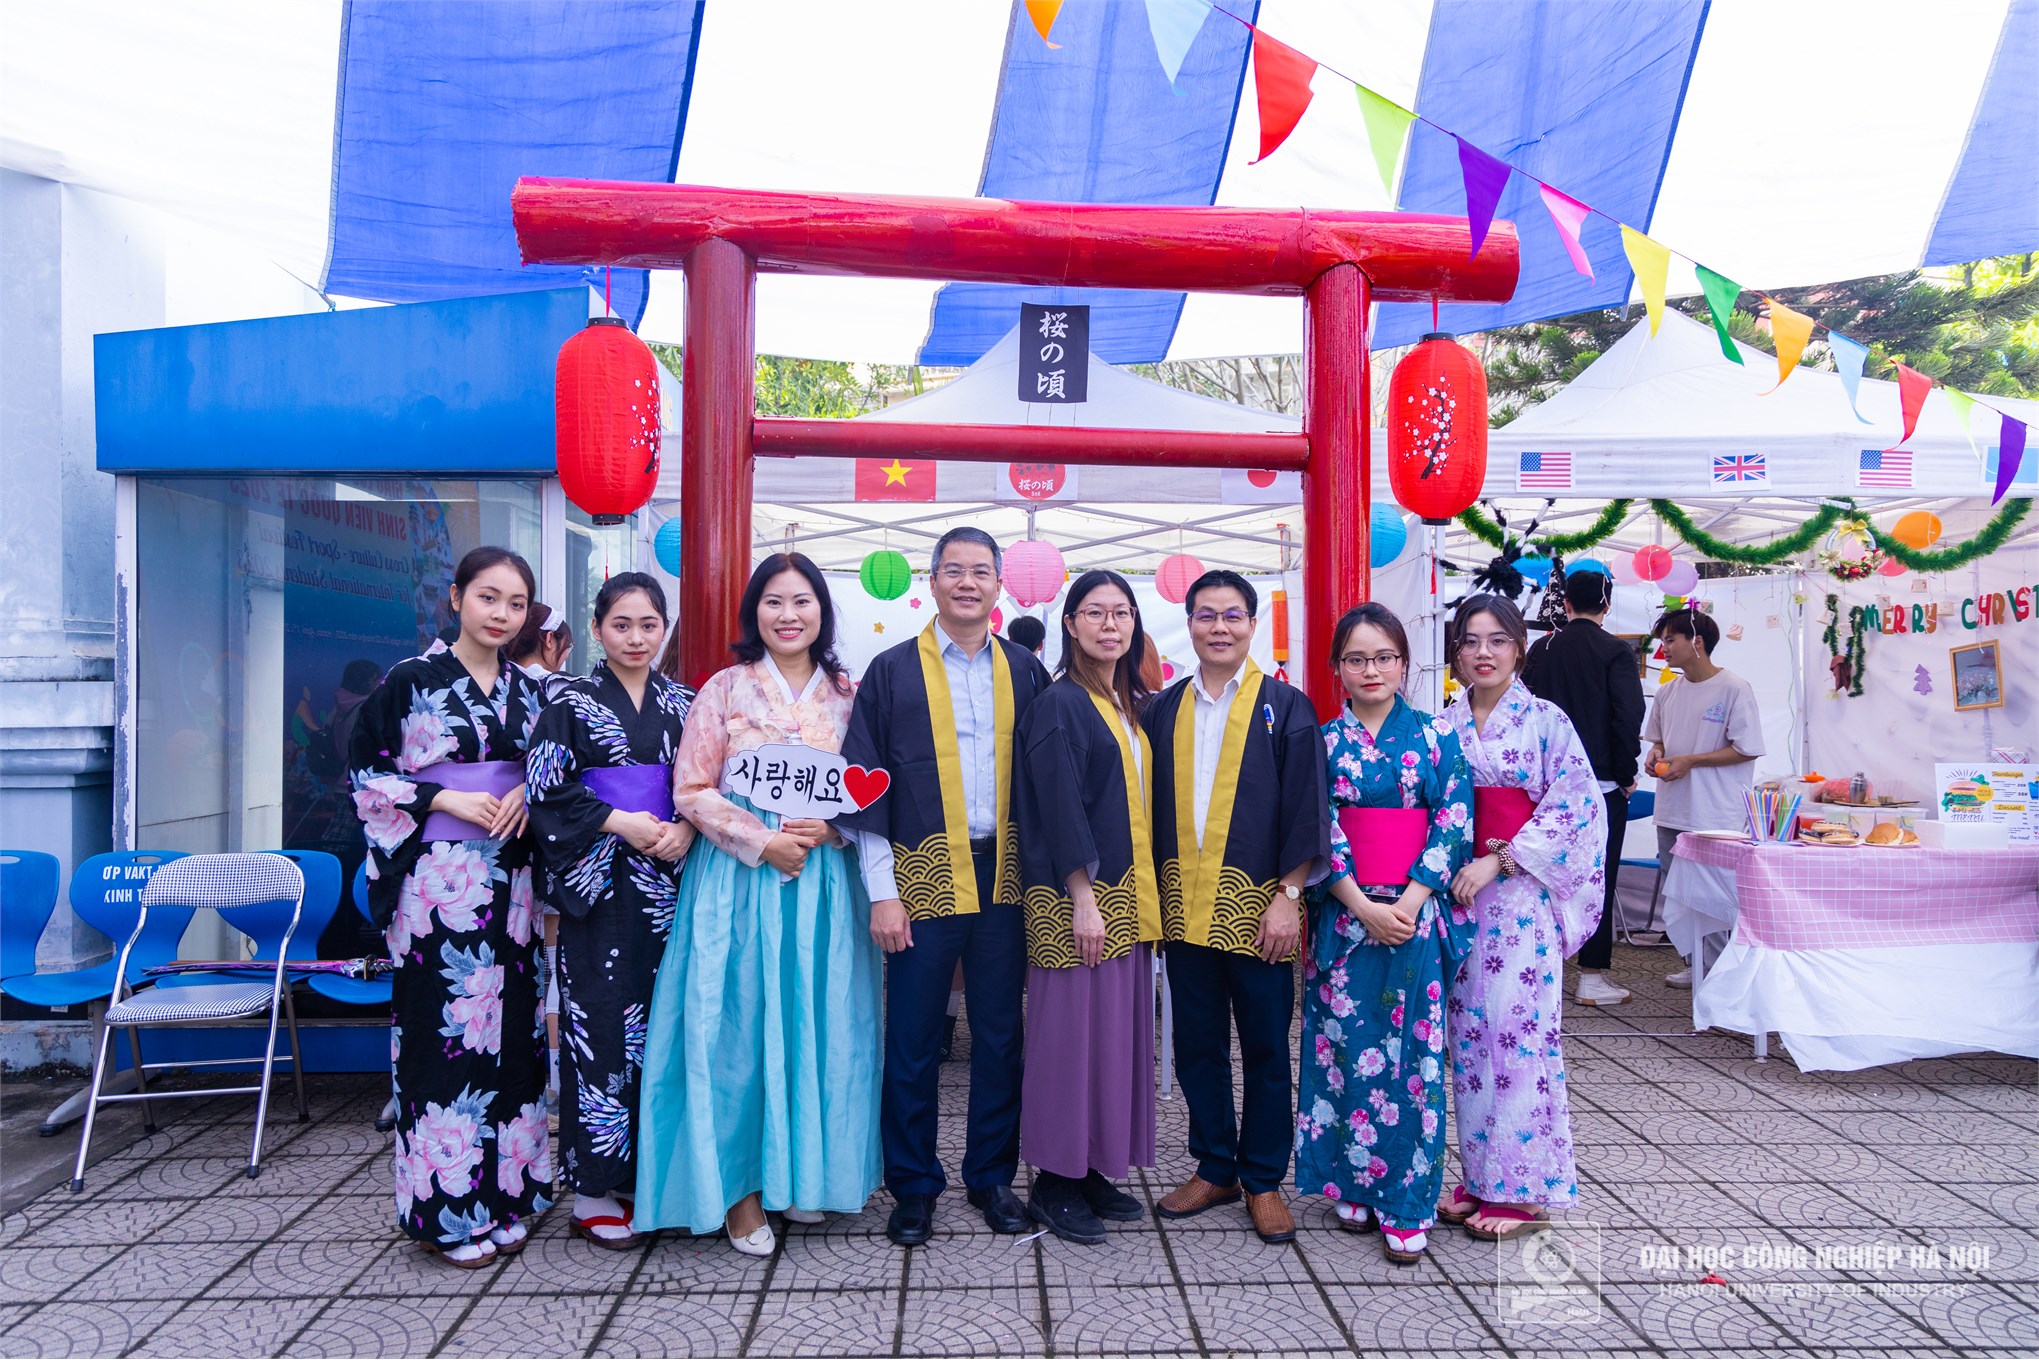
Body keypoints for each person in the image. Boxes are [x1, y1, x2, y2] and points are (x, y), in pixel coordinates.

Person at [635, 553, 881, 1255]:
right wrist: (760, 839)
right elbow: (691, 788)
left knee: (818, 1023)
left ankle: (801, 1175)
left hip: (822, 884)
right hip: (740, 882)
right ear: (754, 613)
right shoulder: (724, 688)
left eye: (802, 601)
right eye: (774, 602)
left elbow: (870, 787)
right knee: (737, 1026)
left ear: (822, 611)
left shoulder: (849, 693)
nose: (788, 615)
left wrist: (834, 829)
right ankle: (740, 1192)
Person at [838, 528, 1052, 1246]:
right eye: (953, 570)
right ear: (930, 582)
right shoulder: (891, 671)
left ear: (999, 586)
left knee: (999, 1033)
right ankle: (913, 1184)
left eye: (980, 571)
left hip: (1006, 874)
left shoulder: (1025, 670)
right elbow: (865, 784)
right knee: (914, 1034)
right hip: (920, 870)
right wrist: (882, 891)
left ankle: (991, 1175)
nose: (967, 582)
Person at [348, 546, 548, 1268]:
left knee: (516, 1036)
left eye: (516, 604)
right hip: (439, 885)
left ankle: (508, 1196)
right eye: (488, 597)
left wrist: (526, 789)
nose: (502, 614)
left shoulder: (530, 691)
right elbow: (365, 775)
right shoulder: (409, 681)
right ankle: (448, 1212)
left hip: (513, 881)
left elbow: (552, 771)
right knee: (445, 1039)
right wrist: (440, 797)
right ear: (457, 597)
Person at [1144, 571, 1329, 1245]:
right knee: (1196, 1045)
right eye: (1205, 615)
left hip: (1259, 910)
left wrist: (1288, 898)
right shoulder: (1163, 709)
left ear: (1253, 624)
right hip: (1183, 907)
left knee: (1264, 1046)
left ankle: (1263, 1178)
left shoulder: (1287, 707)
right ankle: (1215, 1165)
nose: (1218, 627)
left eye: (1231, 615)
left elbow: (1307, 809)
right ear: (1189, 624)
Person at [1294, 602, 1473, 1265]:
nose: (1371, 669)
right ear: (1337, 668)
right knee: (1344, 1049)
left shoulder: (1436, 736)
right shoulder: (1322, 742)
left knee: (1412, 1061)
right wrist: (1358, 903)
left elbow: (1453, 818)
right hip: (1345, 915)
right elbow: (1316, 826)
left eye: (1384, 657)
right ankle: (1351, 1181)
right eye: (1356, 658)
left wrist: (1415, 897)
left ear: (1404, 664)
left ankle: (1406, 1200)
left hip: (1415, 915)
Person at [525, 573, 696, 1251]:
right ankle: (594, 1189)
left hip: (668, 883)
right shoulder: (567, 700)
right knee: (598, 1029)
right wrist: (620, 821)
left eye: (649, 625)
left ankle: (650, 1176)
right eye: (621, 624)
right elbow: (545, 788)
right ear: (597, 629)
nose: (635, 638)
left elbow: (703, 782)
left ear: (664, 629)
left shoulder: (683, 702)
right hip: (599, 883)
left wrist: (687, 825)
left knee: (665, 1029)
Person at [1439, 594, 1607, 1242]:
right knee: (1468, 1040)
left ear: (1519, 648)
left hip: (1518, 900)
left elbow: (1576, 808)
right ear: (1455, 651)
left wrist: (1499, 859)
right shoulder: (1445, 723)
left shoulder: (1544, 722)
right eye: (1470, 640)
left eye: (1497, 640)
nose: (1483, 653)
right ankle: (1483, 1177)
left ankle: (1524, 1190)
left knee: (1517, 1037)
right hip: (1458, 898)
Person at [1013, 569, 1161, 1245]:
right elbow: (1057, 804)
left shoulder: (1123, 702)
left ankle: (1093, 1164)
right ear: (1069, 625)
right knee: (1066, 1040)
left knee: (1112, 1039)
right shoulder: (1060, 703)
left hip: (1123, 895)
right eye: (1095, 612)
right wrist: (1082, 897)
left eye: (1121, 612)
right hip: (1077, 898)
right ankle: (1054, 1179)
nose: (1110, 624)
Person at [1521, 570, 1644, 1006]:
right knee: (1598, 874)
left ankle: (1536, 964)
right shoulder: (1616, 651)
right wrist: (1626, 773)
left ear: (1567, 604)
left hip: (1542, 786)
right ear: (1606, 606)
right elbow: (1627, 716)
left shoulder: (1541, 649)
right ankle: (1590, 975)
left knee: (1538, 873)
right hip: (1600, 783)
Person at [1643, 606, 1763, 986]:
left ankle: (1725, 973)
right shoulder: (1667, 692)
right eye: (1662, 641)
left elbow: (1747, 748)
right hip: (1672, 809)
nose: (1663, 648)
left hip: (1715, 813)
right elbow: (1659, 741)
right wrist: (1656, 755)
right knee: (1680, 894)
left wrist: (1692, 760)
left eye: (1670, 640)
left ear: (1696, 642)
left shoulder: (1734, 688)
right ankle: (1696, 965)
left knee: (1717, 895)